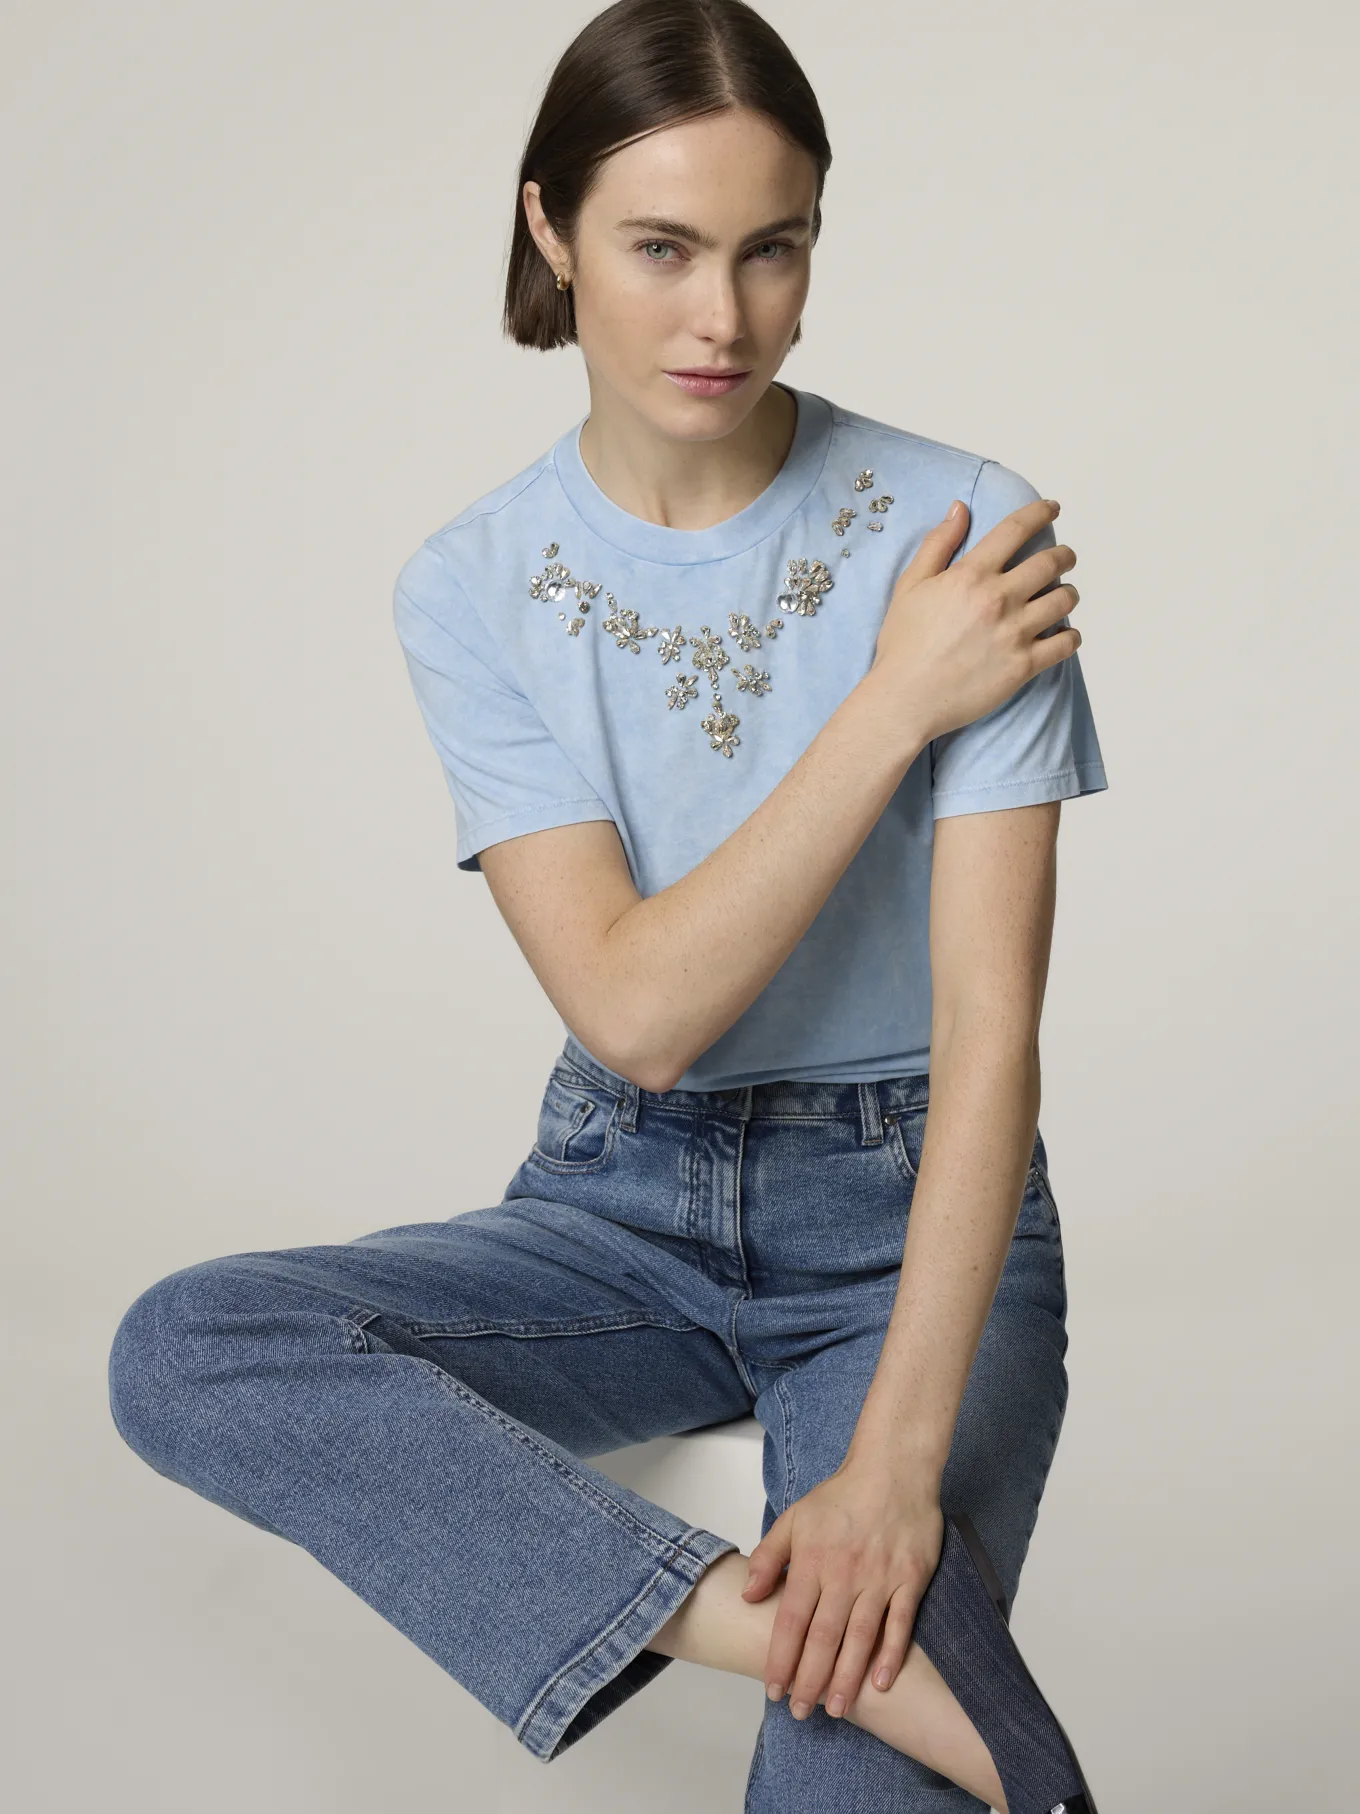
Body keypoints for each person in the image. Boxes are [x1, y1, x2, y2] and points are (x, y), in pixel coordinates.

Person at [107, 2, 1109, 1809]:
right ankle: (755, 1629)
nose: (722, 315)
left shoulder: (967, 531)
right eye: (661, 248)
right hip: (617, 1206)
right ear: (551, 229)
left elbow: (992, 1032)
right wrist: (892, 702)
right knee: (188, 1346)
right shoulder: (472, 583)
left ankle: (883, 1673)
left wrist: (891, 1471)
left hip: (908, 1216)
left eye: (772, 248)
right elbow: (637, 1013)